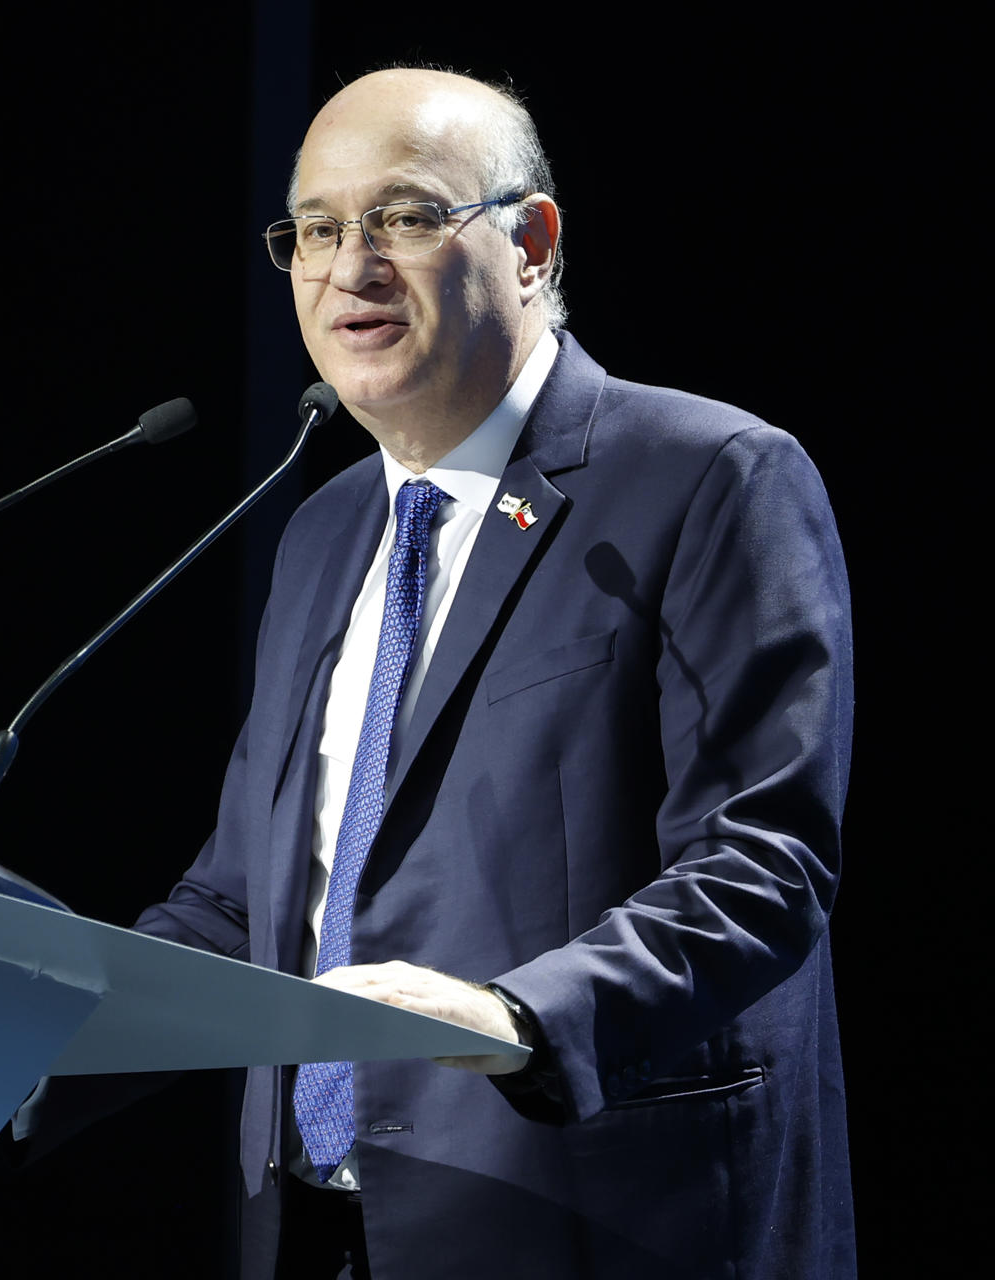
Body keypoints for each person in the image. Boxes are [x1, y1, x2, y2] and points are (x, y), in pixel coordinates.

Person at [48, 68, 854, 1279]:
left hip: (598, 1214)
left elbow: (762, 864)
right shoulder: (321, 532)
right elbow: (245, 904)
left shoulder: (711, 477)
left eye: (407, 217)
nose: (349, 266)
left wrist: (523, 1018)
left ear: (531, 242)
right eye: (316, 229)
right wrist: (22, 1040)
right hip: (319, 1229)